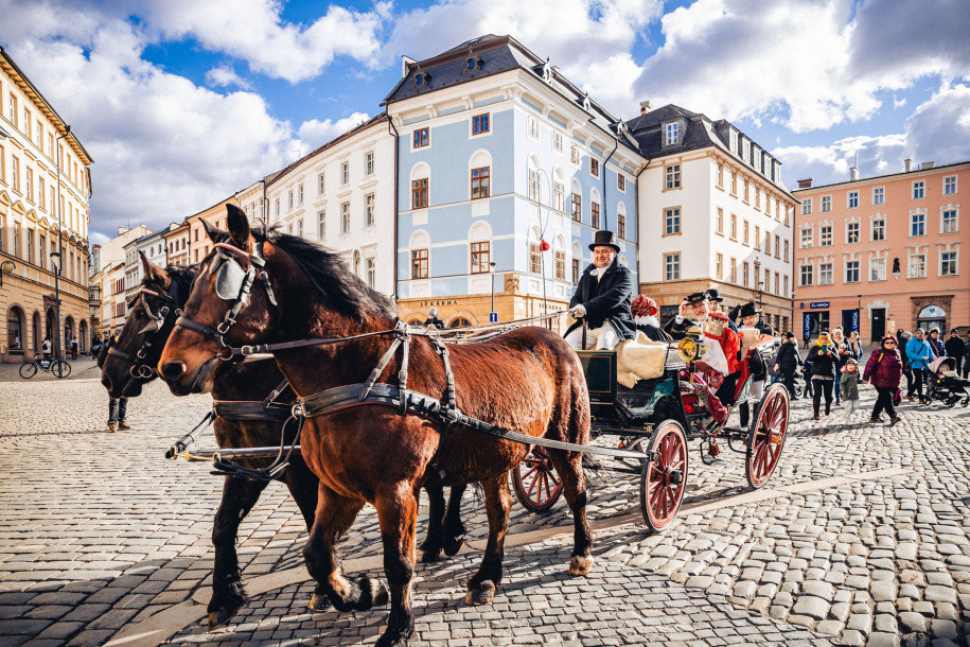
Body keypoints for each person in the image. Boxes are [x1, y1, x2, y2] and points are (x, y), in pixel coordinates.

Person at [565, 230, 636, 350]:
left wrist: (586, 307)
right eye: (597, 251)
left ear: (614, 253)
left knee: (605, 343)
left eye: (605, 251)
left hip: (613, 323)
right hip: (589, 324)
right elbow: (576, 297)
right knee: (566, 346)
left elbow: (614, 297)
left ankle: (602, 369)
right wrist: (575, 307)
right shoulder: (587, 275)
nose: (600, 255)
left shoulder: (624, 274)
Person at [862, 335, 903, 425]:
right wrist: (865, 377)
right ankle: (893, 416)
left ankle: (874, 416)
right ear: (883, 344)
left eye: (892, 342)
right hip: (880, 381)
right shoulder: (878, 353)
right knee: (887, 398)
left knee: (882, 399)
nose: (889, 344)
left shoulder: (897, 352)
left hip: (892, 382)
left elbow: (899, 367)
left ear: (895, 344)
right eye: (887, 342)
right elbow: (869, 365)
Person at [807, 332, 838, 420]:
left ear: (829, 340)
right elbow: (809, 359)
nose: (824, 341)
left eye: (826, 339)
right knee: (817, 394)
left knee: (828, 395)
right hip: (817, 374)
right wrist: (817, 354)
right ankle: (816, 414)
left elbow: (837, 360)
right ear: (819, 340)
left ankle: (827, 406)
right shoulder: (815, 348)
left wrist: (831, 354)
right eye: (822, 339)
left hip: (828, 375)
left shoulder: (832, 348)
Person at [905, 328, 935, 404]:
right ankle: (921, 398)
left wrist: (933, 356)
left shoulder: (926, 342)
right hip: (915, 364)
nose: (920, 334)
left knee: (921, 381)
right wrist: (920, 357)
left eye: (921, 333)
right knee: (919, 381)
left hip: (925, 365)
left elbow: (930, 352)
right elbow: (909, 354)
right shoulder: (911, 342)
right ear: (915, 334)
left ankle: (909, 394)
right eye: (918, 333)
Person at [830, 328, 856, 406]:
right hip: (836, 364)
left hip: (845, 364)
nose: (838, 335)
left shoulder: (845, 341)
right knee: (838, 382)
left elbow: (852, 352)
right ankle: (838, 398)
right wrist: (837, 353)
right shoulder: (831, 342)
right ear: (833, 335)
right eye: (836, 334)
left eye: (839, 333)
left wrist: (848, 352)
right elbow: (828, 353)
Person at [774, 332, 803, 400]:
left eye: (793, 337)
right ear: (789, 338)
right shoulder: (785, 345)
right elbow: (779, 355)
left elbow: (797, 356)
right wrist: (777, 364)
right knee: (790, 381)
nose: (793, 338)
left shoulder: (793, 345)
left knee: (787, 381)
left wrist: (801, 364)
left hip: (792, 366)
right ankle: (792, 395)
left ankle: (779, 391)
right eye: (792, 337)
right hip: (786, 366)